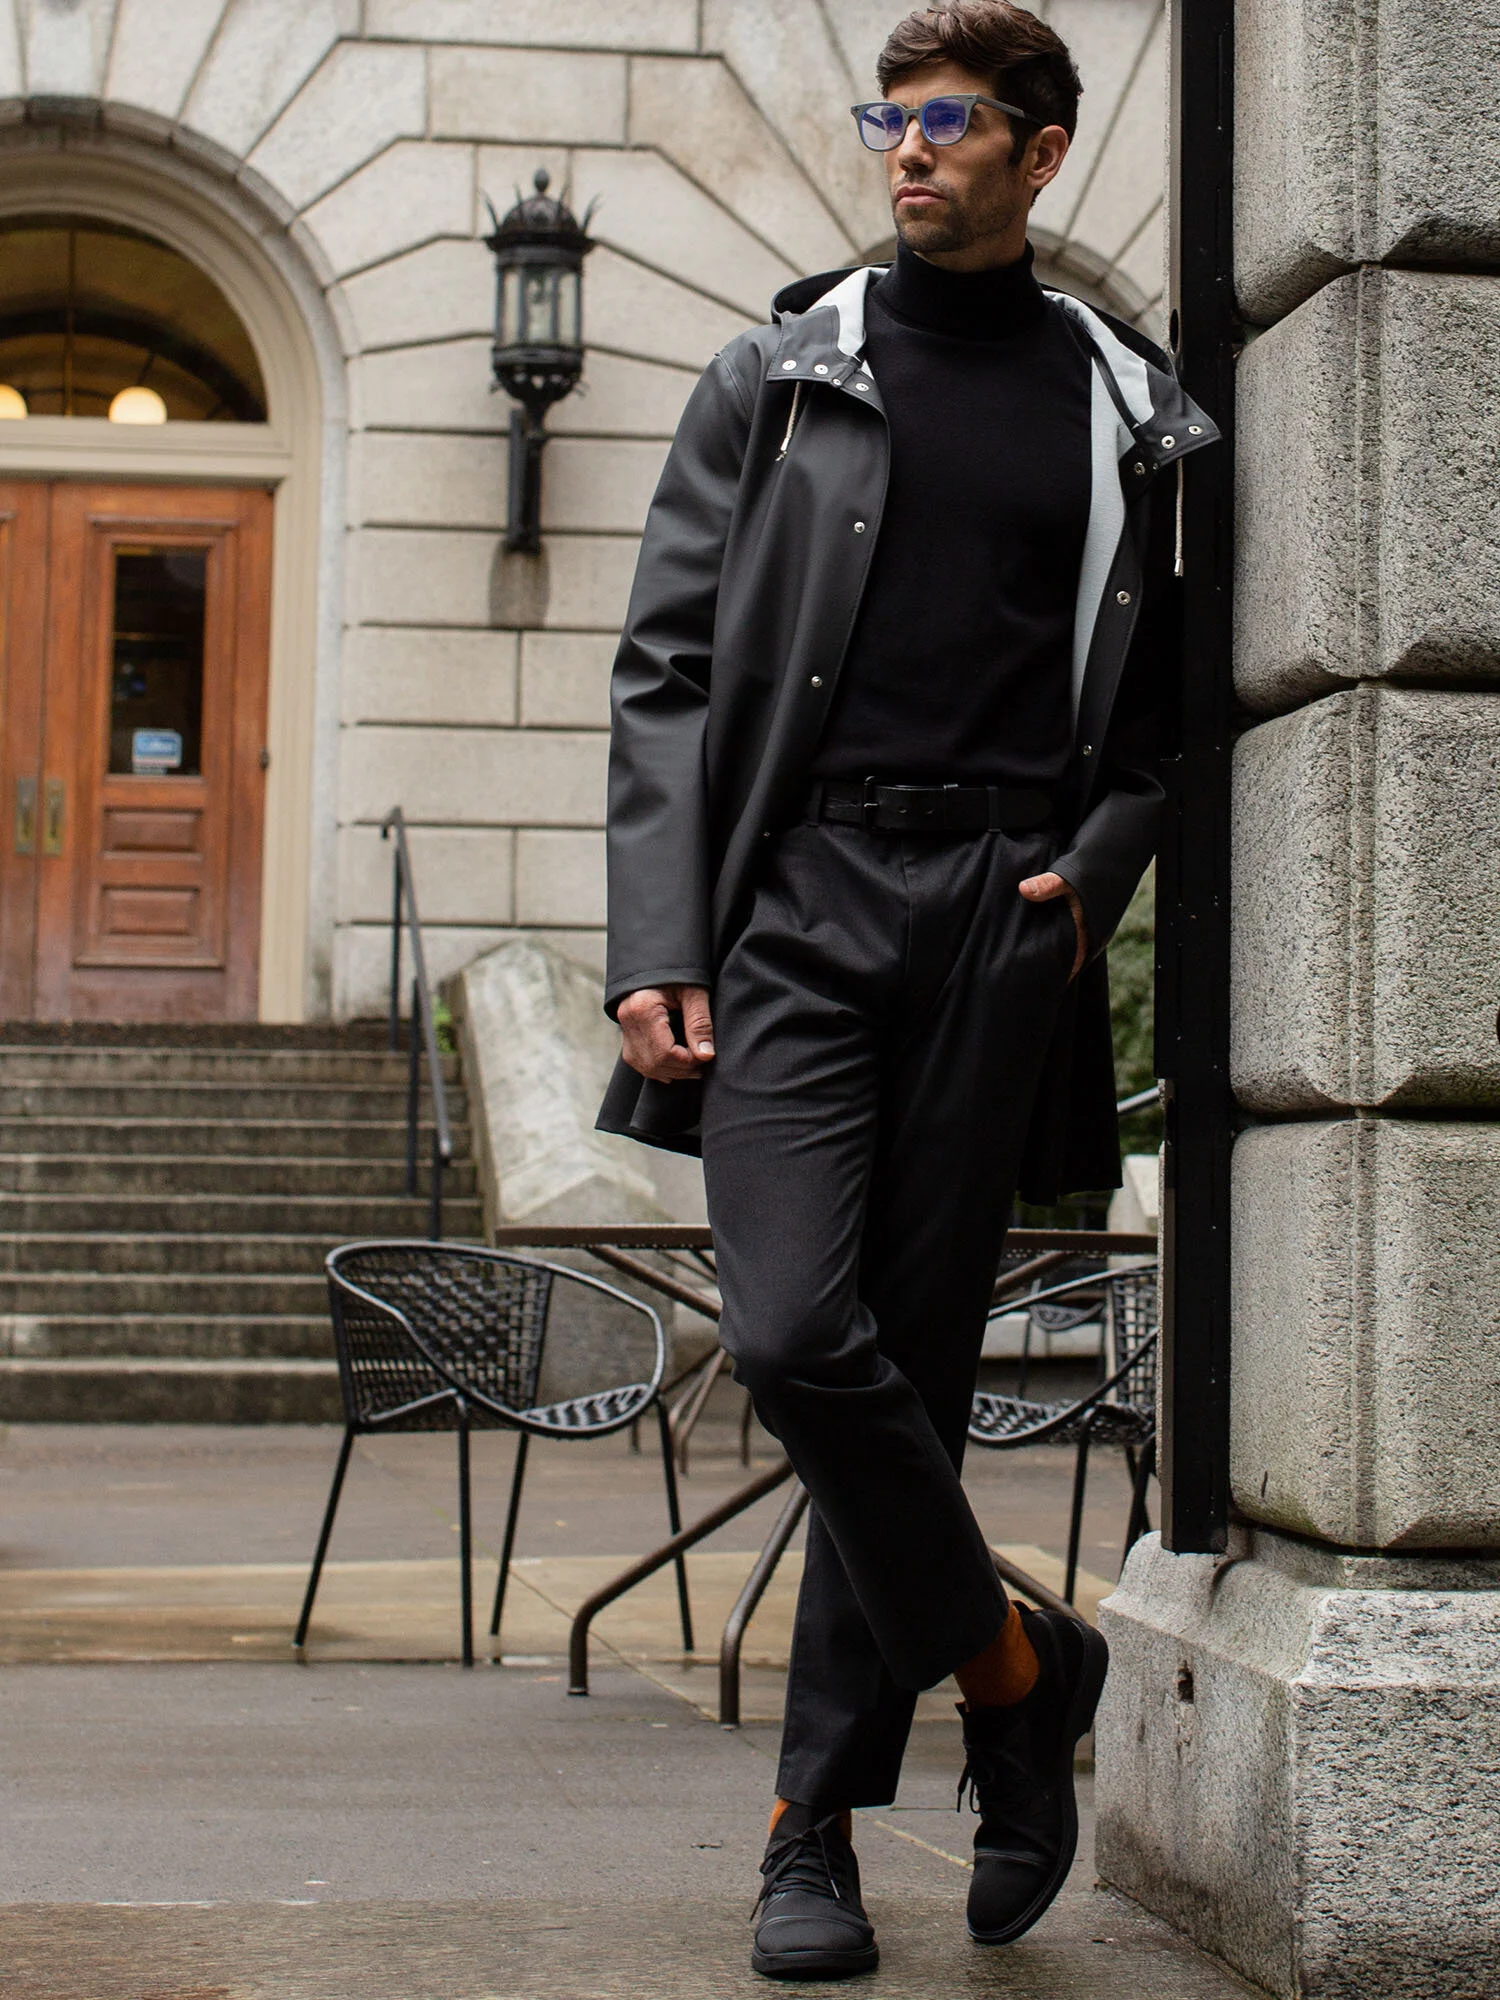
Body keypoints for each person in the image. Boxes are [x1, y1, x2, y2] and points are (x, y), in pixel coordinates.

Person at [597, 0, 1217, 1980]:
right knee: (796, 1335)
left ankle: (815, 1837)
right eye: (894, 119)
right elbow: (666, 672)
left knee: (916, 1378)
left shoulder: (1131, 409)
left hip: (994, 915)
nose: (911, 149)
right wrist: (659, 940)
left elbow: (1166, 720)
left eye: (950, 121)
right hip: (797, 898)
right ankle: (1021, 1669)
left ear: (1040, 151)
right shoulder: (781, 376)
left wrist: (1091, 880)